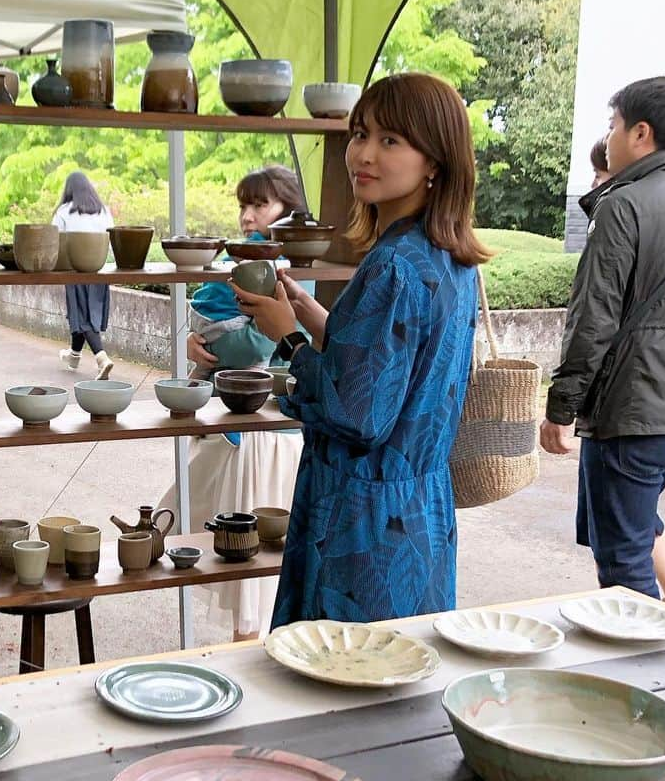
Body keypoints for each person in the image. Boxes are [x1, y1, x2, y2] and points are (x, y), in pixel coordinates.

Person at [234, 72, 487, 625]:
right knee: (403, 675)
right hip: (419, 513)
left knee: (341, 684)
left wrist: (288, 337)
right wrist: (307, 311)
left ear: (435, 161)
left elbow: (358, 412)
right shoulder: (447, 258)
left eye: (390, 140)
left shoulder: (393, 265)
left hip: (364, 524)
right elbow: (384, 364)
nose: (363, 155)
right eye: (360, 134)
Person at [541, 75, 665, 606]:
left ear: (640, 133)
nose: (607, 138)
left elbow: (593, 320)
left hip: (633, 413)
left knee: (624, 562)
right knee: (629, 520)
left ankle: (644, 677)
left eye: (612, 126)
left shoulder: (623, 205)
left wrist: (561, 409)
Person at [161, 165, 307, 640]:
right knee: (252, 570)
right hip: (251, 430)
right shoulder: (256, 267)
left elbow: (259, 347)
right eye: (244, 205)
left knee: (254, 572)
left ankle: (249, 673)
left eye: (259, 205)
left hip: (269, 436)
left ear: (289, 208)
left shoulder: (291, 270)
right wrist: (194, 340)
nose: (247, 217)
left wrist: (207, 342)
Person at [54, 171, 114, 377]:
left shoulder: (64, 211)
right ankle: (73, 356)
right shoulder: (103, 211)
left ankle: (102, 358)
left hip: (75, 270)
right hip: (98, 270)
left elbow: (55, 242)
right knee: (84, 315)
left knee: (82, 317)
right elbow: (112, 241)